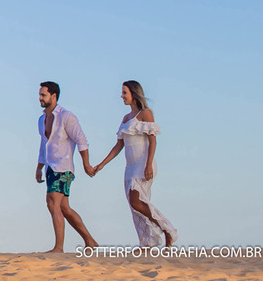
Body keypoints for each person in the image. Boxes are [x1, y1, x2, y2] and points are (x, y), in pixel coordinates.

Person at [87, 80, 178, 247]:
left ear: (134, 94)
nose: (121, 96)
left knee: (137, 201)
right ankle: (148, 242)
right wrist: (101, 165)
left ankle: (167, 230)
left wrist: (149, 164)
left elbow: (153, 142)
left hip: (143, 163)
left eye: (124, 93)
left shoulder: (145, 113)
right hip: (129, 167)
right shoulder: (125, 118)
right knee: (134, 205)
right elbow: (119, 145)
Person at [36, 82, 98, 253]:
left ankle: (58, 248)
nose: (40, 98)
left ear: (54, 96)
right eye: (40, 95)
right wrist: (39, 167)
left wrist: (86, 163)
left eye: (43, 95)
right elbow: (44, 145)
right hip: (50, 167)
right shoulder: (42, 119)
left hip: (63, 167)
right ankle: (90, 241)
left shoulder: (66, 117)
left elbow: (81, 140)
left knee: (51, 202)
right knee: (64, 208)